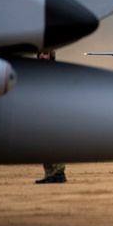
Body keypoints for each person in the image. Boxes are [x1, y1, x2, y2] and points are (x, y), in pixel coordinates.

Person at [34, 49, 67, 184]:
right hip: (41, 112)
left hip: (54, 113)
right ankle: (49, 174)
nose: (42, 56)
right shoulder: (37, 72)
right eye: (41, 53)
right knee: (43, 144)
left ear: (51, 55)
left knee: (54, 143)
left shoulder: (55, 71)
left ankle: (59, 173)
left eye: (45, 53)